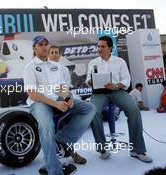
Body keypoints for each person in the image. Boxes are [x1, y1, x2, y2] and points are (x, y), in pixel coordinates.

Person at [23, 35, 96, 175]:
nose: (44, 47)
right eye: (40, 45)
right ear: (34, 48)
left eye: (46, 44)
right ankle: (54, 170)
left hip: (57, 99)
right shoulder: (29, 67)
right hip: (39, 102)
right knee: (47, 126)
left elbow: (62, 87)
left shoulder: (56, 66)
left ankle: (61, 141)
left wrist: (67, 97)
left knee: (89, 108)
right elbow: (32, 94)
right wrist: (55, 103)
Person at [86, 35, 153, 163]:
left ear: (110, 48)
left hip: (117, 91)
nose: (99, 49)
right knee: (93, 112)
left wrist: (116, 85)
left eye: (103, 46)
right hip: (99, 92)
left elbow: (126, 80)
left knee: (133, 110)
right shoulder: (93, 63)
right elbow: (88, 79)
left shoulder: (120, 61)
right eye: (98, 46)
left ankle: (137, 150)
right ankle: (102, 148)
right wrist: (90, 82)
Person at [47, 44, 87, 164]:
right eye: (52, 52)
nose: (54, 55)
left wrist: (67, 98)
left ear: (60, 55)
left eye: (56, 52)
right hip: (47, 101)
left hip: (61, 99)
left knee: (67, 122)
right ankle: (55, 157)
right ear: (48, 55)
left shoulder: (64, 69)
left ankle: (71, 152)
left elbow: (66, 88)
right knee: (52, 127)